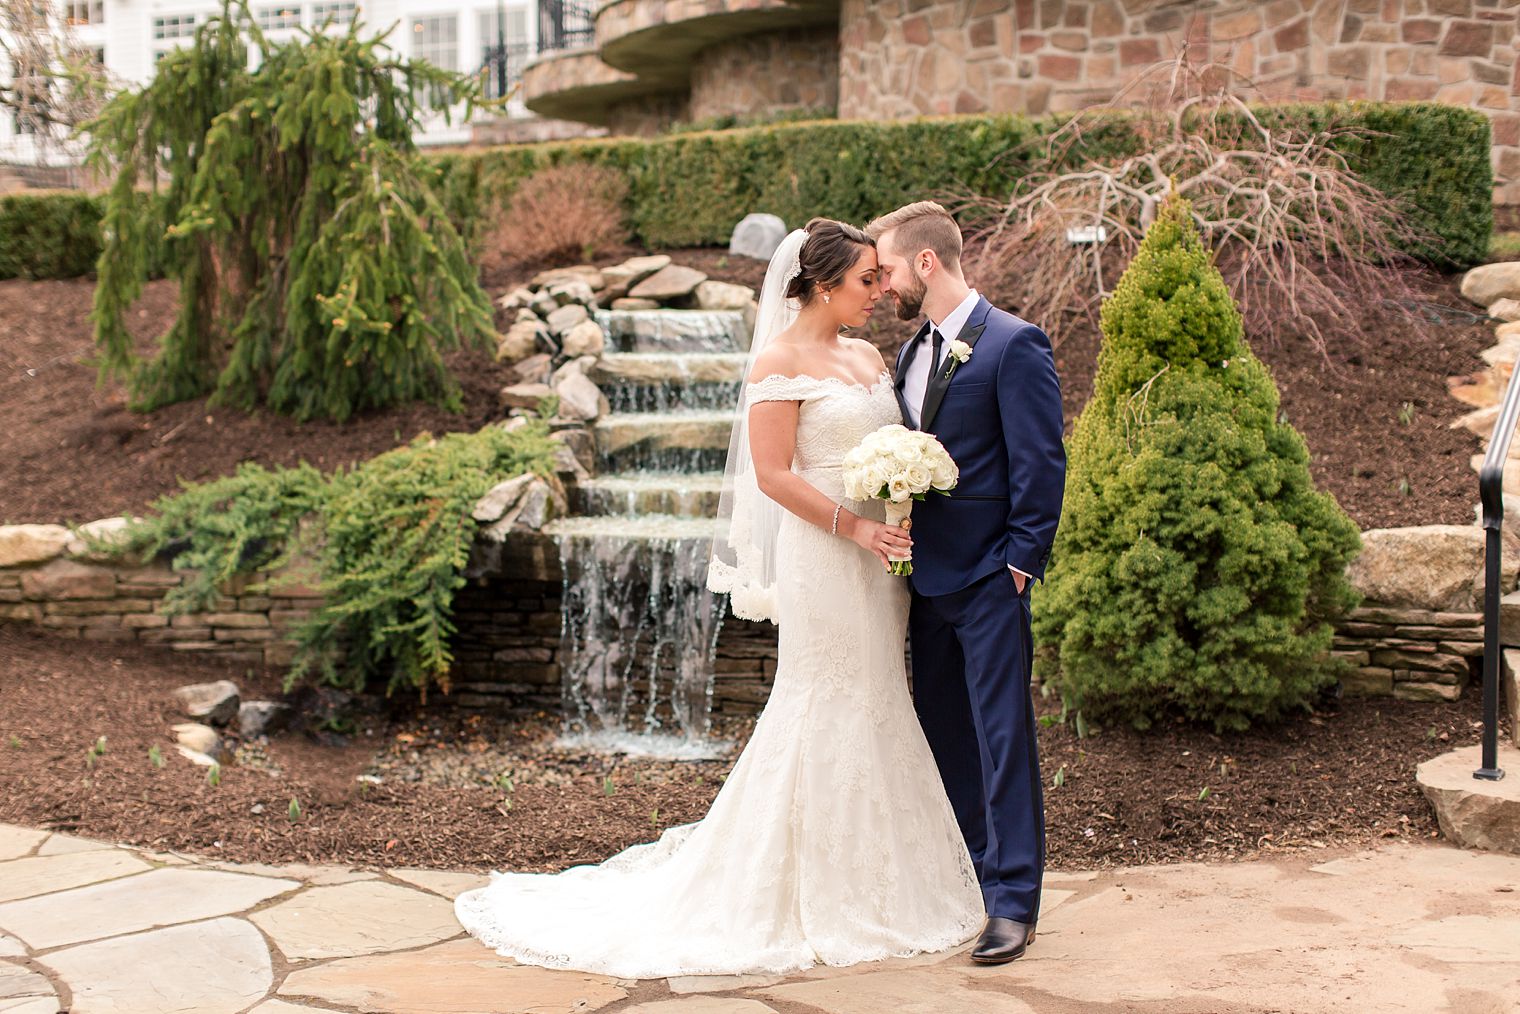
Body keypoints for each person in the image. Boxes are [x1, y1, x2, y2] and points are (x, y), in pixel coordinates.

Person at [454, 218, 984, 978]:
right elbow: (772, 476)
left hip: (880, 559)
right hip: (828, 555)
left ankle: (886, 882)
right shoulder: (778, 361)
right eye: (867, 281)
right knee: (823, 697)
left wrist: (900, 498)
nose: (880, 292)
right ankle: (802, 887)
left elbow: (891, 447)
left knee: (878, 696)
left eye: (878, 279)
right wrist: (854, 529)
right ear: (824, 284)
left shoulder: (870, 355)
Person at [866, 201, 1066, 965]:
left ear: (925, 262)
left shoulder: (1014, 344)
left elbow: (1041, 463)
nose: (881, 285)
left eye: (886, 269)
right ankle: (974, 877)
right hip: (924, 582)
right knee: (946, 734)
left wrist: (1017, 565)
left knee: (1003, 737)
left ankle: (1015, 902)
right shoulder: (912, 351)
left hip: (989, 579)